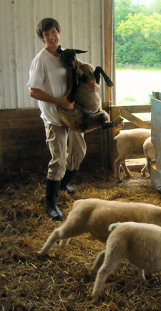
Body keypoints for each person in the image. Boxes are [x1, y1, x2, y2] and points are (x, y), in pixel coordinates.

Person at [27, 18, 94, 221]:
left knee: (79, 151)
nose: (51, 37)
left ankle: (63, 184)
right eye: (46, 35)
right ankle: (51, 203)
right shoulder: (41, 60)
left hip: (72, 114)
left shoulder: (66, 55)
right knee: (58, 159)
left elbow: (80, 72)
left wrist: (90, 82)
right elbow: (33, 91)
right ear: (43, 38)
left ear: (59, 32)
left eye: (53, 32)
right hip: (54, 116)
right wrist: (59, 101)